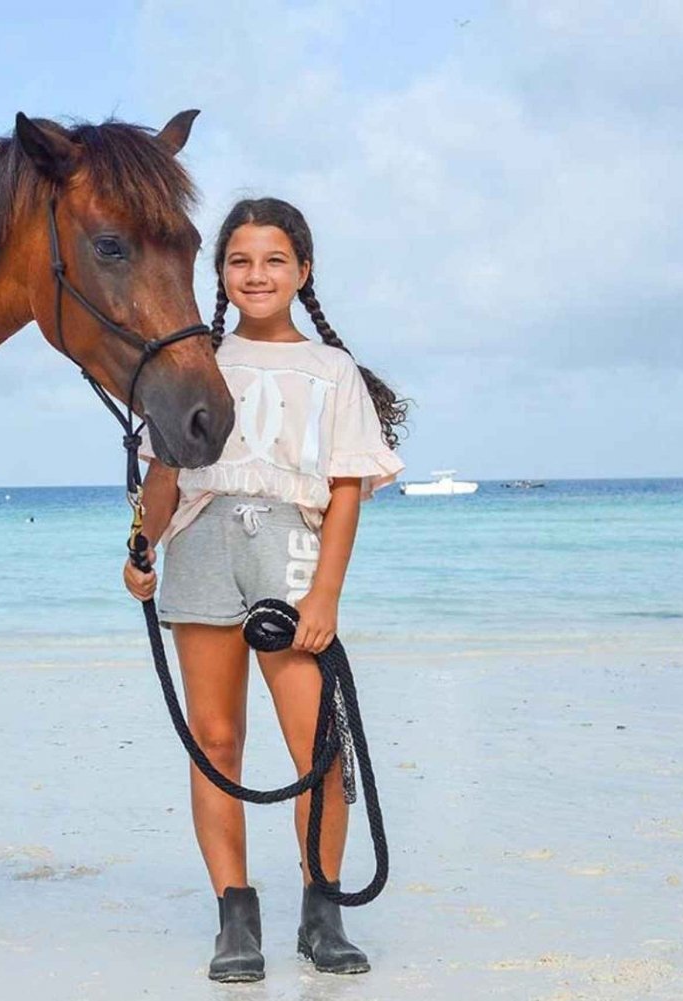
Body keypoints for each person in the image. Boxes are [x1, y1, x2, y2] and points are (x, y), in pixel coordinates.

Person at [123, 197, 406, 982]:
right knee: (215, 742)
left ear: (302, 272)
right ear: (219, 274)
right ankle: (235, 919)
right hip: (201, 549)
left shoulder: (331, 370)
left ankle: (323, 911)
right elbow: (164, 474)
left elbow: (345, 490)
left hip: (288, 550)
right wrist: (141, 544)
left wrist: (326, 595)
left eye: (274, 260)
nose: (257, 274)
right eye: (241, 260)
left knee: (318, 745)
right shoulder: (192, 359)